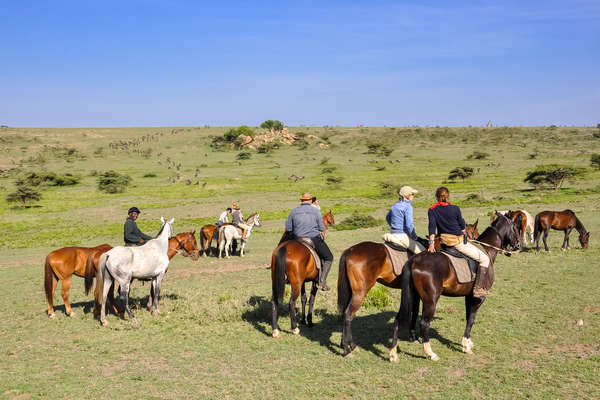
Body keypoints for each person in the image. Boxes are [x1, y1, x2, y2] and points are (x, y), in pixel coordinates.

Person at [427, 187, 491, 298]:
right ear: (448, 196)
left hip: (443, 243)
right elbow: (462, 226)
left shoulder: (432, 210)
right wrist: (464, 232)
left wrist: (431, 244)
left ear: (437, 197)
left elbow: (432, 228)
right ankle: (478, 289)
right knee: (485, 259)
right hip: (457, 242)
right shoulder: (455, 208)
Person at [285, 192, 334, 291]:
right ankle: (322, 281)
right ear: (310, 200)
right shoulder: (316, 211)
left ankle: (288, 278)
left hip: (297, 239)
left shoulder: (294, 211)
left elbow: (288, 228)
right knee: (329, 257)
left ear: (302, 200)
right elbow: (321, 227)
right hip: (313, 239)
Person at [383, 186, 425, 254]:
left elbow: (387, 218)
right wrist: (414, 237)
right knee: (424, 253)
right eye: (412, 194)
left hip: (392, 233)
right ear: (407, 196)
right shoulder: (408, 206)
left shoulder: (395, 205)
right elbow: (409, 225)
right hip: (402, 236)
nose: (413, 196)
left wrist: (395, 226)